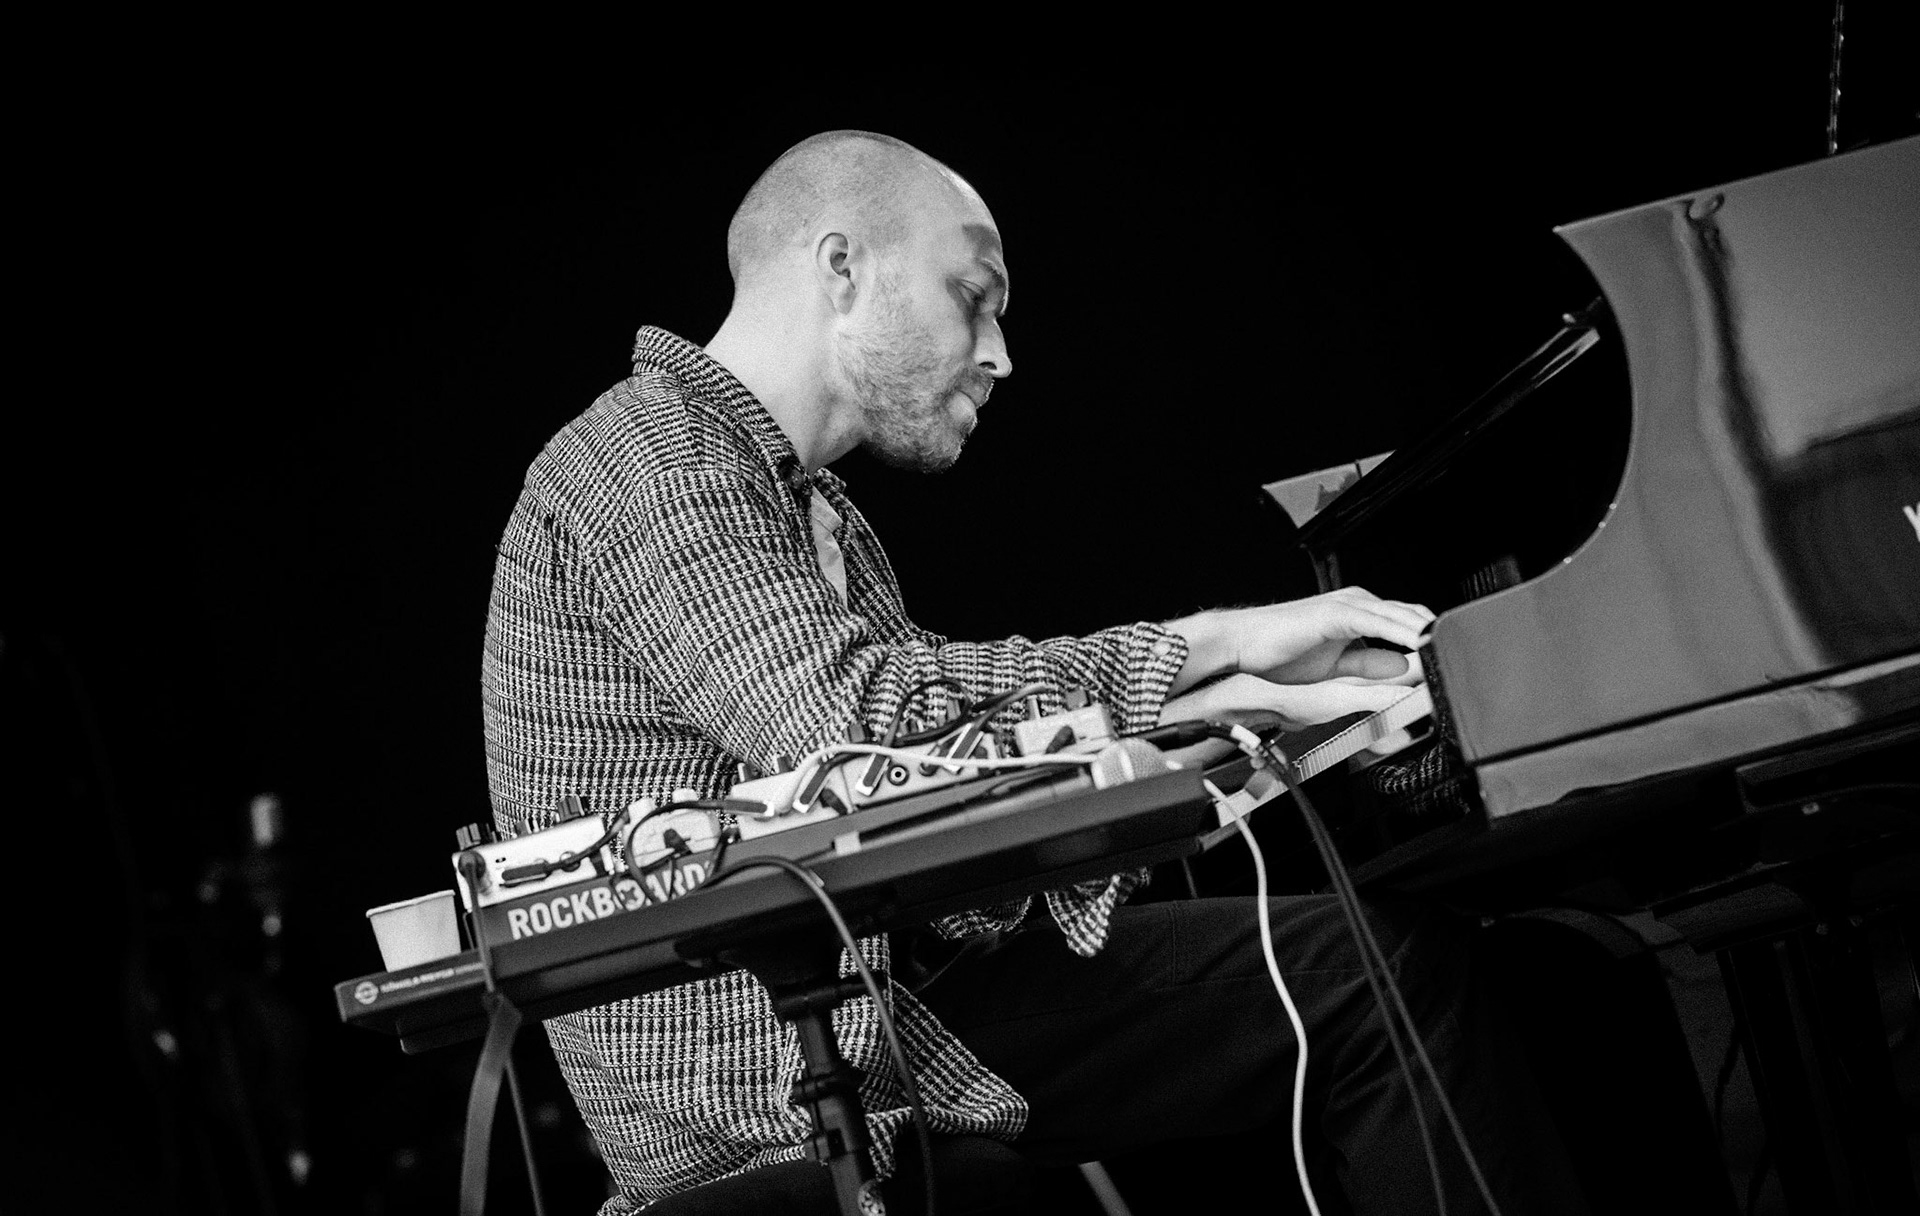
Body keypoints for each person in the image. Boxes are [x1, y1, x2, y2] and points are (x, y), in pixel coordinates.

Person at [481, 130, 1584, 1214]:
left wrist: (1240, 706)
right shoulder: (651, 456)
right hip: (784, 1053)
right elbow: (863, 726)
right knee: (1376, 979)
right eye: (977, 294)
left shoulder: (811, 506)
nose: (1002, 350)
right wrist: (1221, 648)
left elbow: (920, 766)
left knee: (1417, 973)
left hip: (890, 986)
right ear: (841, 267)